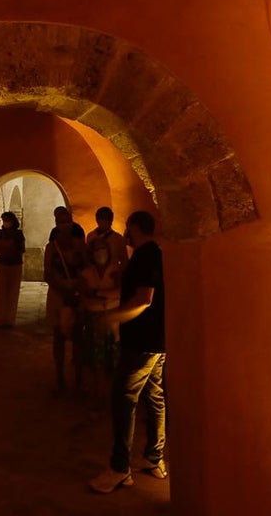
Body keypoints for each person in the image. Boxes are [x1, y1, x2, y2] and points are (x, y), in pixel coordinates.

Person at [88, 210, 169, 494]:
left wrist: (114, 317)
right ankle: (154, 458)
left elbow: (144, 299)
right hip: (157, 341)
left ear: (136, 227)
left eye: (128, 227)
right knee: (155, 398)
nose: (125, 232)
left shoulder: (146, 255)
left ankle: (120, 468)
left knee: (123, 400)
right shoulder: (152, 254)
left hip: (141, 342)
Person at [77, 207, 127, 407]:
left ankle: (113, 395)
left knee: (113, 357)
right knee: (95, 357)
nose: (100, 252)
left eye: (103, 249)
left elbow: (119, 289)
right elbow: (85, 296)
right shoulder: (87, 271)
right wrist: (102, 297)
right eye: (97, 250)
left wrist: (99, 295)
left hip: (112, 316)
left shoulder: (116, 263)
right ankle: (98, 394)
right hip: (95, 317)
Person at [43, 207, 87, 395]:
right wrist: (63, 289)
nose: (64, 226)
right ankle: (60, 377)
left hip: (75, 295)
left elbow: (86, 270)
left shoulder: (80, 246)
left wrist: (76, 288)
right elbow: (48, 274)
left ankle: (78, 378)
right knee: (59, 337)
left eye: (66, 221)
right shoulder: (51, 247)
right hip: (58, 296)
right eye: (60, 222)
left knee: (78, 338)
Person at [0, 211, 25, 329]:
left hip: (15, 265)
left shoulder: (18, 234)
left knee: (12, 293)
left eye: (7, 220)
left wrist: (11, 253)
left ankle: (9, 321)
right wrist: (1, 254)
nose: (5, 222)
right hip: (1, 264)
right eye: (3, 220)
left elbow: (21, 249)